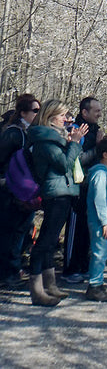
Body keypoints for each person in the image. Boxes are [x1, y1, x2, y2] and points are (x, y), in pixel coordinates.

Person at [27, 100, 88, 306]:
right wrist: (75, 144)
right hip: (56, 193)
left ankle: (50, 284)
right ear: (51, 117)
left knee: (51, 241)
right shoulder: (45, 139)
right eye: (62, 115)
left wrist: (71, 142)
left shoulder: (55, 138)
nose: (66, 119)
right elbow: (63, 165)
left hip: (64, 191)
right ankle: (36, 290)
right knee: (45, 241)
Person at [61, 95, 104, 285]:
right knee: (75, 227)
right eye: (96, 111)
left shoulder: (94, 130)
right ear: (84, 112)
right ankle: (70, 268)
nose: (99, 114)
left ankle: (83, 264)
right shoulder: (76, 130)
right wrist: (99, 146)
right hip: (77, 185)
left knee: (87, 227)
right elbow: (77, 160)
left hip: (91, 186)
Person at [0, 94, 40, 288]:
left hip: (25, 190)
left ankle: (14, 269)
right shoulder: (14, 133)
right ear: (23, 112)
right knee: (9, 232)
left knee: (21, 231)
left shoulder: (31, 132)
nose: (38, 114)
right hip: (10, 190)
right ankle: (7, 273)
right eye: (35, 111)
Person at [85, 136, 107, 302]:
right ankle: (94, 285)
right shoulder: (99, 173)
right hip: (99, 221)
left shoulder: (106, 172)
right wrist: (105, 221)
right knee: (99, 252)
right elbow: (99, 199)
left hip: (103, 219)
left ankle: (98, 283)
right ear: (105, 155)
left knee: (103, 252)